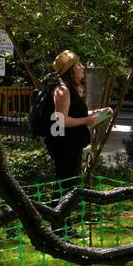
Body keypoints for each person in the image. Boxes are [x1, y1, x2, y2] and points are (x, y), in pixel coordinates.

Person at [44, 50, 112, 203]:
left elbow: (73, 114)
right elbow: (61, 121)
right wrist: (86, 120)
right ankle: (59, 223)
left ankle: (64, 223)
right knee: (66, 186)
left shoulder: (68, 90)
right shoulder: (62, 91)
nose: (83, 67)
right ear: (71, 70)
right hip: (64, 146)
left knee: (69, 186)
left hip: (71, 145)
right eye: (79, 65)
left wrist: (98, 113)